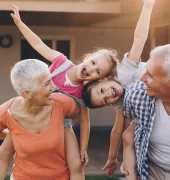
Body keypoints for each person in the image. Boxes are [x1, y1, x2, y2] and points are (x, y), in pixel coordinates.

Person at [0, 4, 119, 180]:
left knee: (76, 164)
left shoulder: (83, 91)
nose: (91, 69)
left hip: (62, 125)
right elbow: (38, 44)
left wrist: (83, 148)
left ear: (98, 79)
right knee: (5, 149)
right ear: (88, 57)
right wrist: (20, 23)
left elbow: (85, 119)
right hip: (32, 112)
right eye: (93, 63)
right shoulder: (61, 62)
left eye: (98, 72)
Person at [82, 0, 155, 179]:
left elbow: (139, 39)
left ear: (104, 79)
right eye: (106, 101)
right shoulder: (123, 102)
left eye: (102, 91)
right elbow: (117, 129)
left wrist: (147, 6)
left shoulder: (124, 73)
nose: (109, 95)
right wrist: (112, 157)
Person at [0, 59, 80, 180]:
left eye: (51, 80)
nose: (54, 87)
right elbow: (3, 155)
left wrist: (65, 128)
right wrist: (15, 137)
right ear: (26, 94)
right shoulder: (6, 112)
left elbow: (78, 113)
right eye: (47, 83)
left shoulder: (62, 103)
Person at [120, 44, 170, 180]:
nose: (142, 78)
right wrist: (129, 158)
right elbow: (128, 124)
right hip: (151, 170)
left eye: (150, 75)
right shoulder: (136, 94)